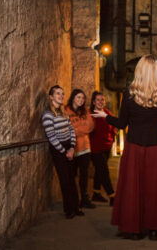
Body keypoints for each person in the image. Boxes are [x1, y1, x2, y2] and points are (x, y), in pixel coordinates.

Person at [92, 55, 157, 241]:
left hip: (134, 146)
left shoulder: (129, 93)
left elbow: (122, 124)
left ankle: (134, 229)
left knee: (134, 186)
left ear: (139, 70)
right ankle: (155, 229)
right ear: (156, 72)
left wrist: (104, 116)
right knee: (156, 187)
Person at [42, 85, 84, 219]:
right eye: (58, 94)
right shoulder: (47, 115)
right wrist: (64, 151)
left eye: (62, 94)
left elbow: (71, 130)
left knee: (72, 179)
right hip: (58, 149)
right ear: (51, 97)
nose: (61, 96)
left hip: (69, 147)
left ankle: (76, 207)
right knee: (65, 180)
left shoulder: (63, 113)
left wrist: (71, 147)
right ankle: (69, 209)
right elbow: (51, 137)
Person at [66, 89, 96, 209]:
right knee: (71, 176)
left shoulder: (86, 111)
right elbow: (67, 128)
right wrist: (80, 129)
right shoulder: (66, 110)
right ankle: (73, 200)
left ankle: (84, 199)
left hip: (85, 148)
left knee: (84, 176)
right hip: (72, 149)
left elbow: (90, 127)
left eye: (83, 98)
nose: (81, 100)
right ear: (73, 97)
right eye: (78, 97)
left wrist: (76, 129)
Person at [90, 91, 117, 206]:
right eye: (98, 100)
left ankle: (96, 193)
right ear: (93, 102)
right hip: (95, 149)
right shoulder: (91, 115)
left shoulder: (107, 112)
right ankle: (112, 196)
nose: (101, 102)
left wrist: (112, 139)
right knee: (104, 172)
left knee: (99, 171)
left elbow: (113, 128)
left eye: (102, 100)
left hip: (107, 147)